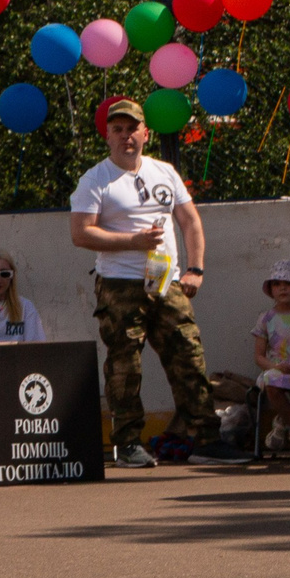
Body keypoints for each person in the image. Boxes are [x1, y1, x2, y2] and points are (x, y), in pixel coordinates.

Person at [69, 97, 217, 468]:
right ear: (107, 136)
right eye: (118, 130)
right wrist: (132, 242)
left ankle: (206, 439)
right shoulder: (95, 179)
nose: (126, 136)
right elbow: (81, 233)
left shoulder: (164, 171)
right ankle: (127, 443)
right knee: (125, 365)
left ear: (145, 133)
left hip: (167, 282)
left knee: (188, 355)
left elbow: (190, 221)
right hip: (120, 283)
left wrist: (195, 268)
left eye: (132, 129)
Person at [253, 259, 290, 458]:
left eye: (288, 283)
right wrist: (275, 366)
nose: (282, 288)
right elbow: (259, 356)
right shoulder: (267, 318)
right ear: (271, 290)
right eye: (277, 284)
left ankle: (281, 423)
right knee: (271, 381)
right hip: (276, 370)